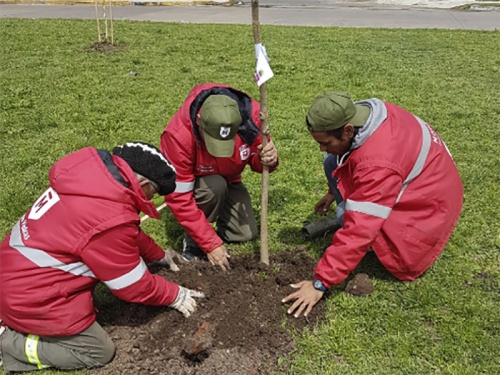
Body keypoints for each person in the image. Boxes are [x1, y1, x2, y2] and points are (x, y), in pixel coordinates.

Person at [0, 142, 204, 373]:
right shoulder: (108, 218)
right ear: (145, 184)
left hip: (15, 274)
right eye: (154, 193)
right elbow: (132, 286)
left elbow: (126, 233)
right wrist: (175, 294)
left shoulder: (95, 184)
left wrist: (158, 255)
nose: (152, 199)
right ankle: (9, 343)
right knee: (98, 350)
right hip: (29, 298)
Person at [282, 91, 463, 318]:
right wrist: (332, 191)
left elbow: (359, 230)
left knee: (343, 216)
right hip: (430, 181)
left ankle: (370, 235)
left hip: (427, 210)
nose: (321, 147)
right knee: (331, 160)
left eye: (325, 142)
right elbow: (345, 161)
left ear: (347, 130)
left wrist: (320, 283)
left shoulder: (377, 163)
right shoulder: (370, 115)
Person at [160, 83, 279, 271]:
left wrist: (269, 159)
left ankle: (212, 225)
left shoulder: (253, 118)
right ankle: (193, 241)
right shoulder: (177, 137)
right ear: (199, 121)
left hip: (231, 179)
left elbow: (257, 161)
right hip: (201, 185)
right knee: (213, 186)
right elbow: (179, 197)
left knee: (244, 233)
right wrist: (209, 243)